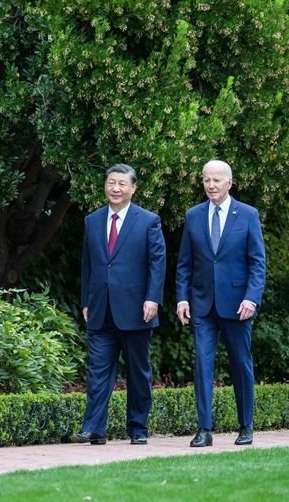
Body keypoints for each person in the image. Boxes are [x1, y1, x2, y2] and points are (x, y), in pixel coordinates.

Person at [70, 163, 166, 445]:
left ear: (133, 188)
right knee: (98, 371)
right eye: (111, 182)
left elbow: (157, 263)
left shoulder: (148, 221)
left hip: (137, 310)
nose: (115, 188)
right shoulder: (92, 220)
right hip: (100, 309)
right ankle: (93, 429)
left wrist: (153, 298)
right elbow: (89, 264)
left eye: (122, 184)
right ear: (105, 185)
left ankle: (138, 428)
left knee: (138, 373)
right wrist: (86, 300)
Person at [176, 159, 266, 447]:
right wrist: (181, 298)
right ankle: (204, 429)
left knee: (241, 363)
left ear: (229, 182)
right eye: (206, 180)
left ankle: (246, 426)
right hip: (202, 305)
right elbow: (184, 264)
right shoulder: (193, 216)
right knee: (202, 365)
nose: (210, 185)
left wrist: (252, 297)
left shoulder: (248, 215)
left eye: (216, 180)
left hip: (238, 305)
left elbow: (257, 262)